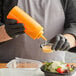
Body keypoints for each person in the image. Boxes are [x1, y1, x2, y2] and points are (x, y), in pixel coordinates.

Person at [0, 0, 76, 63]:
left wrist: (67, 40)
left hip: (53, 69)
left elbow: (74, 24)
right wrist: (5, 32)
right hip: (8, 69)